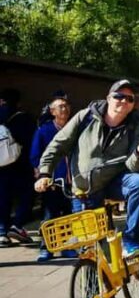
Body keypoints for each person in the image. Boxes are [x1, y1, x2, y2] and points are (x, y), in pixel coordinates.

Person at [35, 80, 139, 257]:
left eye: (129, 99)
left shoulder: (135, 127)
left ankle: (131, 240)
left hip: (115, 184)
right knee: (90, 250)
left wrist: (138, 154)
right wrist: (45, 173)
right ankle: (91, 281)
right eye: (119, 96)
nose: (123, 101)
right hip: (85, 189)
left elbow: (132, 166)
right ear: (108, 98)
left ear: (132, 104)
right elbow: (57, 145)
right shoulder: (86, 117)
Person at [29, 93, 77, 261]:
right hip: (53, 180)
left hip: (72, 180)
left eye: (67, 106)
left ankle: (66, 247)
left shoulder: (75, 127)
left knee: (68, 215)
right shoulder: (45, 131)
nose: (65, 109)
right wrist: (43, 173)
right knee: (50, 216)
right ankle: (46, 248)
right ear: (52, 111)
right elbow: (35, 155)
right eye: (61, 106)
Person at [0, 88, 36, 246]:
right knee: (27, 195)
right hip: (22, 164)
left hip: (2, 166)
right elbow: (31, 140)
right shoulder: (24, 118)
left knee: (3, 198)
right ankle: (17, 224)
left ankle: (2, 232)